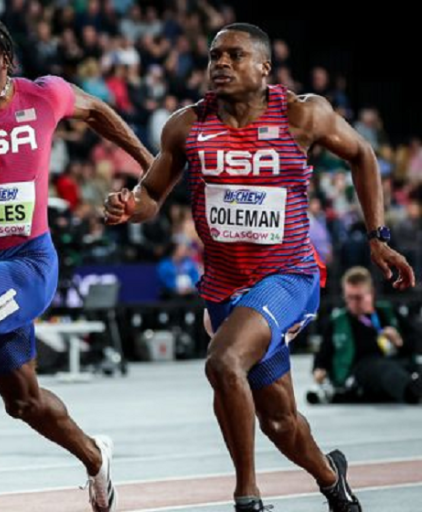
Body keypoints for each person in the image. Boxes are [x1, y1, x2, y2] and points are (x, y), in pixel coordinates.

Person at [104, 23, 415, 512]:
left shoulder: (302, 114)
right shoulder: (186, 125)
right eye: (213, 56)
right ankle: (333, 479)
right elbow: (152, 195)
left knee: (223, 361)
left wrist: (378, 238)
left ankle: (246, 497)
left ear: (264, 67)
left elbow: (364, 155)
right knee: (279, 421)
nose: (220, 64)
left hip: (288, 276)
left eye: (234, 55)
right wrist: (130, 205)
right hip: (225, 287)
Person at [0, 18, 153, 512]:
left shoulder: (44, 97)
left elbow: (98, 110)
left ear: (6, 63)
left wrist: (150, 165)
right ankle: (95, 457)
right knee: (23, 402)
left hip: (29, 262)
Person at [310, 266, 421, 404]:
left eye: (358, 297)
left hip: (395, 363)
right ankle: (412, 391)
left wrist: (400, 342)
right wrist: (318, 370)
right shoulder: (337, 322)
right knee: (379, 368)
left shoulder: (389, 312)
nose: (353, 302)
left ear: (371, 293)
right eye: (349, 297)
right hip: (359, 372)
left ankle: (413, 386)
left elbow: (416, 341)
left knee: (412, 366)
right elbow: (321, 356)